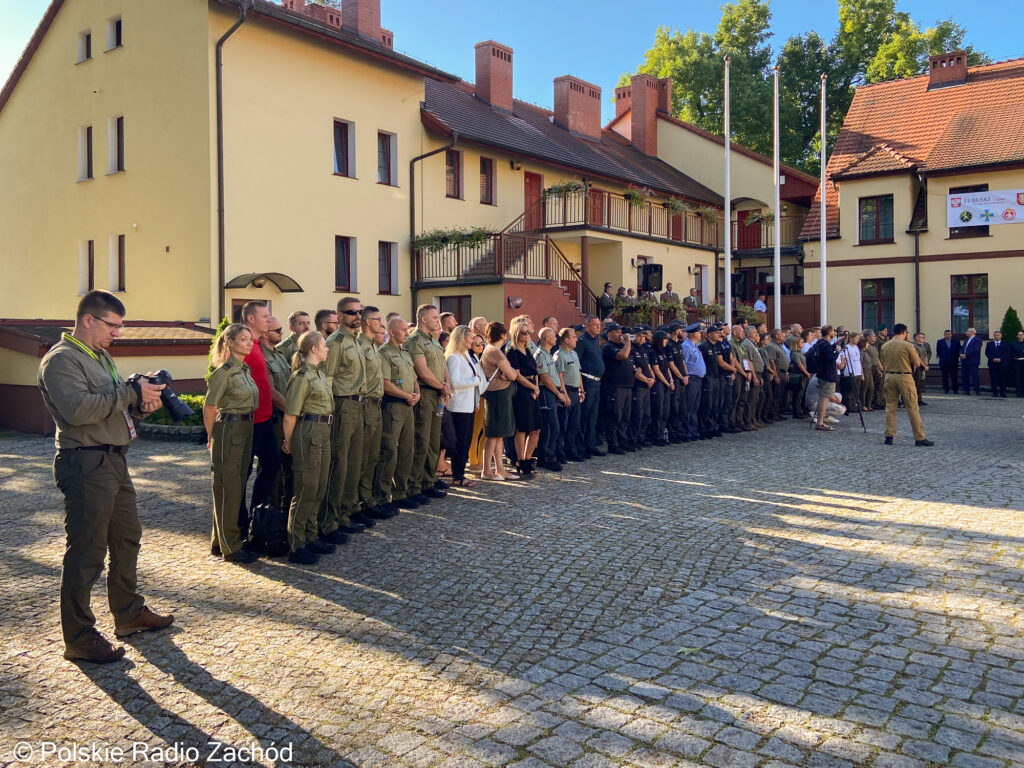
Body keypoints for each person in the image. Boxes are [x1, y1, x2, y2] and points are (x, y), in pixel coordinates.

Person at [38, 290, 174, 663]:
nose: (118, 332)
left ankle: (129, 614)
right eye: (112, 325)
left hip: (114, 460)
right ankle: (79, 637)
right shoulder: (61, 360)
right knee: (87, 552)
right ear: (88, 320)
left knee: (127, 537)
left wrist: (141, 405)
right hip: (85, 463)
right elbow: (80, 410)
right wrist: (129, 393)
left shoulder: (101, 357)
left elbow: (114, 408)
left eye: (119, 326)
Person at [205, 323, 262, 565]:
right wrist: (211, 436)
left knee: (236, 485)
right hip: (229, 428)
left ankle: (219, 542)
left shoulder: (244, 370)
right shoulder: (224, 372)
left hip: (245, 427)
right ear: (229, 343)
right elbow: (209, 406)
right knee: (228, 487)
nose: (249, 342)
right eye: (243, 339)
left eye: (250, 338)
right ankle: (232, 546)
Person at [280, 331, 335, 565]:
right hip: (308, 432)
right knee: (305, 489)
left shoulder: (318, 374)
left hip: (323, 431)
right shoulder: (301, 377)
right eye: (324, 345)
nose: (327, 348)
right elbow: (291, 415)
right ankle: (297, 544)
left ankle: (311, 537)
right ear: (313, 349)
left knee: (319, 487)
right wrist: (290, 442)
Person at [323, 296, 367, 542]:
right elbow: (327, 380)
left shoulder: (356, 340)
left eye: (359, 311)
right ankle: (330, 521)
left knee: (353, 462)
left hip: (358, 404)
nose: (356, 316)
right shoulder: (336, 342)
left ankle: (345, 515)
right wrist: (330, 412)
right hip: (341, 405)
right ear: (339, 316)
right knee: (339, 464)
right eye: (351, 312)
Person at [238, 300, 283, 539]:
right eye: (265, 316)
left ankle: (258, 516)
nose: (269, 319)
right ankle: (239, 526)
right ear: (251, 319)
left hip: (264, 420)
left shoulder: (256, 343)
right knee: (241, 476)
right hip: (249, 422)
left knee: (272, 465)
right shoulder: (242, 345)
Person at [405, 304, 452, 499]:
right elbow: (422, 372)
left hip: (438, 394)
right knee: (422, 441)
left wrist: (447, 385)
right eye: (434, 317)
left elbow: (443, 365)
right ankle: (414, 485)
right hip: (425, 393)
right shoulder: (415, 340)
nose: (437, 321)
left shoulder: (433, 341)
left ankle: (428, 479)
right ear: (423, 319)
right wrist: (442, 386)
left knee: (434, 440)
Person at [376, 317, 421, 509]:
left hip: (408, 405)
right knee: (390, 452)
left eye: (406, 329)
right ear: (391, 332)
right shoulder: (384, 353)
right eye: (403, 330)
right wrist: (406, 395)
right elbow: (385, 383)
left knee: (407, 451)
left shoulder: (405, 352)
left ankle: (401, 493)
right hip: (393, 406)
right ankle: (383, 496)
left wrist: (417, 394)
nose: (406, 332)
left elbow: (414, 379)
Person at [356, 306, 390, 524]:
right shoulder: (359, 345)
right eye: (378, 319)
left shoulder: (373, 347)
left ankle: (367, 499)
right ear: (368, 322)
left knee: (371, 457)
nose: (381, 324)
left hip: (377, 405)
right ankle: (356, 504)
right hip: (364, 405)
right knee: (360, 457)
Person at [479, 322, 521, 481]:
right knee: (494, 433)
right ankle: (487, 470)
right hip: (497, 394)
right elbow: (512, 375)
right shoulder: (495, 351)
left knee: (499, 433)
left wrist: (507, 374)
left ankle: (499, 469)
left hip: (498, 392)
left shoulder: (490, 350)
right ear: (502, 335)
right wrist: (508, 374)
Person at [445, 325, 485, 487]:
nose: (472, 340)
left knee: (466, 442)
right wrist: (474, 381)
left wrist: (475, 401)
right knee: (461, 443)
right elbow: (454, 383)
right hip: (459, 407)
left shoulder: (466, 356)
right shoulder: (454, 358)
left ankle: (460, 473)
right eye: (469, 338)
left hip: (469, 406)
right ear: (461, 339)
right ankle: (457, 475)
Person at [880, 323, 932, 446]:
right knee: (912, 408)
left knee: (890, 407)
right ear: (904, 332)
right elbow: (917, 362)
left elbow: (883, 361)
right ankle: (919, 437)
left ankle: (889, 436)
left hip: (889, 376)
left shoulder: (885, 345)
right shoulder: (907, 345)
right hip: (904, 376)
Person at [262, 318, 293, 512]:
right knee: (273, 470)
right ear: (265, 333)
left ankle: (284, 514)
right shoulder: (262, 358)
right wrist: (293, 412)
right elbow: (271, 393)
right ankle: (268, 516)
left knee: (289, 469)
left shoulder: (279, 355)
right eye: (278, 330)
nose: (282, 333)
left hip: (288, 419)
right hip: (276, 420)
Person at [507, 318, 542, 475]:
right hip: (521, 392)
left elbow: (534, 371)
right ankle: (520, 460)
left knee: (536, 428)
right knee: (522, 429)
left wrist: (536, 388)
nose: (528, 335)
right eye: (524, 332)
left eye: (529, 332)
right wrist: (533, 387)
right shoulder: (512, 352)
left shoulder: (528, 351)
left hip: (533, 390)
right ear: (516, 333)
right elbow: (517, 376)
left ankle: (528, 458)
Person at [534, 327, 569, 471]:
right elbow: (545, 378)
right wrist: (558, 393)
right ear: (547, 338)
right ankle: (548, 458)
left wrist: (560, 392)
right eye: (554, 336)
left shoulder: (548, 354)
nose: (556, 339)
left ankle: (545, 457)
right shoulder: (540, 355)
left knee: (555, 426)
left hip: (553, 392)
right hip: (546, 392)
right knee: (550, 427)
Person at [601, 323, 634, 454]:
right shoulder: (608, 347)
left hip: (627, 386)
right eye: (616, 332)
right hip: (615, 386)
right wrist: (628, 341)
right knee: (615, 416)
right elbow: (623, 356)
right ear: (609, 333)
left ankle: (622, 441)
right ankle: (613, 444)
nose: (620, 334)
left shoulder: (622, 346)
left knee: (625, 417)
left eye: (621, 331)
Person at [554, 327, 585, 462]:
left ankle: (571, 451)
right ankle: (559, 452)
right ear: (566, 340)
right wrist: (564, 394)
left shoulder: (574, 353)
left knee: (574, 425)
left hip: (575, 392)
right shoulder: (559, 355)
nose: (576, 339)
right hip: (566, 390)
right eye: (573, 337)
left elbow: (578, 373)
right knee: (563, 425)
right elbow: (559, 377)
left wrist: (581, 390)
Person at [577, 315, 606, 456]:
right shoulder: (582, 341)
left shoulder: (596, 341)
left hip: (597, 382)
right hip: (587, 382)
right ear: (587, 326)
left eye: (599, 325)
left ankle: (590, 444)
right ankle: (581, 446)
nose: (598, 327)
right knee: (584, 416)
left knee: (593, 416)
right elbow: (577, 364)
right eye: (595, 325)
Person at [811, 325, 846, 432]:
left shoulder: (822, 342)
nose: (834, 334)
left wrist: (835, 344)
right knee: (825, 398)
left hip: (823, 373)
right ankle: (820, 422)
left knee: (824, 397)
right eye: (832, 332)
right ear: (829, 333)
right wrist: (838, 350)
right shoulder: (824, 344)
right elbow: (830, 357)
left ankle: (820, 421)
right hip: (827, 374)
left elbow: (827, 353)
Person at [936, 329, 960, 394]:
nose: (948, 335)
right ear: (944, 335)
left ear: (951, 334)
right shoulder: (940, 342)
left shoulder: (956, 341)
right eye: (946, 334)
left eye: (949, 334)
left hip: (953, 362)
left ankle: (955, 390)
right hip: (944, 362)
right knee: (944, 377)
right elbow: (938, 351)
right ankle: (946, 389)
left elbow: (959, 350)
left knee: (954, 376)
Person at [985, 331, 1008, 397]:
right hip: (992, 364)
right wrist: (993, 359)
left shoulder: (1005, 344)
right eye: (995, 335)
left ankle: (1002, 393)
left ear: (1001, 336)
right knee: (993, 379)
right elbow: (987, 353)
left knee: (1002, 379)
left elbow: (1007, 353)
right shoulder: (989, 344)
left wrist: (1001, 358)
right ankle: (994, 393)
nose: (996, 336)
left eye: (998, 335)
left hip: (1002, 364)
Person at [960, 327, 981, 395]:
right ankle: (966, 390)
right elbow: (962, 348)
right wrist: (961, 354)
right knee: (965, 376)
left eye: (968, 331)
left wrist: (966, 355)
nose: (966, 333)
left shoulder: (978, 340)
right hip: (964, 361)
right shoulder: (966, 340)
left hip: (973, 361)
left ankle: (977, 391)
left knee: (974, 376)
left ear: (972, 332)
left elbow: (976, 349)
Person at [912, 332, 931, 405]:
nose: (923, 339)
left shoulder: (922, 346)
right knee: (917, 383)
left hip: (923, 367)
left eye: (924, 337)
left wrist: (926, 363)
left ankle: (919, 399)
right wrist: (924, 365)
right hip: (917, 367)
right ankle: (915, 400)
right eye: (921, 337)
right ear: (917, 338)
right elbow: (917, 358)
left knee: (921, 384)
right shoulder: (914, 346)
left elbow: (925, 355)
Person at [1013, 330, 1024, 398]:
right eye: (1019, 334)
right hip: (1016, 362)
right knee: (1018, 377)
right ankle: (1019, 393)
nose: (1020, 336)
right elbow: (1013, 352)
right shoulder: (1014, 343)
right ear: (1017, 336)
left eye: (1022, 334)